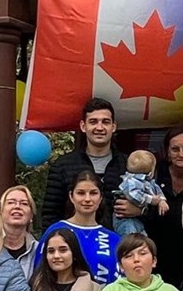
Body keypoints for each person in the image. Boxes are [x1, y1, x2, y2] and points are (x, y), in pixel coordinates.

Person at [42, 98, 124, 228]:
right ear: (83, 126)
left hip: (120, 239)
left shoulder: (127, 165)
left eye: (105, 122)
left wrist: (141, 210)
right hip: (74, 239)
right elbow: (50, 215)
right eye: (93, 122)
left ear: (113, 127)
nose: (99, 127)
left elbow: (153, 211)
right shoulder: (63, 166)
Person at [136, 125, 183, 289]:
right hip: (156, 258)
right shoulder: (153, 176)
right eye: (175, 149)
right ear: (167, 152)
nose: (181, 154)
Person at [36, 170, 122, 285]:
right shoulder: (55, 231)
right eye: (81, 193)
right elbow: (40, 274)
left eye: (93, 193)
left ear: (101, 197)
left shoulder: (113, 239)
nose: (87, 199)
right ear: (71, 196)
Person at [115, 150, 166, 237]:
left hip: (139, 220)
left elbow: (157, 191)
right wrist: (150, 200)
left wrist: (162, 201)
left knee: (142, 240)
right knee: (130, 240)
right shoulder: (130, 181)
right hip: (125, 220)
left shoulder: (150, 182)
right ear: (151, 172)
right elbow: (132, 194)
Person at [0, 185, 40, 279]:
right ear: (0, 211)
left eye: (24, 203)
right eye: (11, 202)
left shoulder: (38, 250)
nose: (17, 206)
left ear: (31, 215)